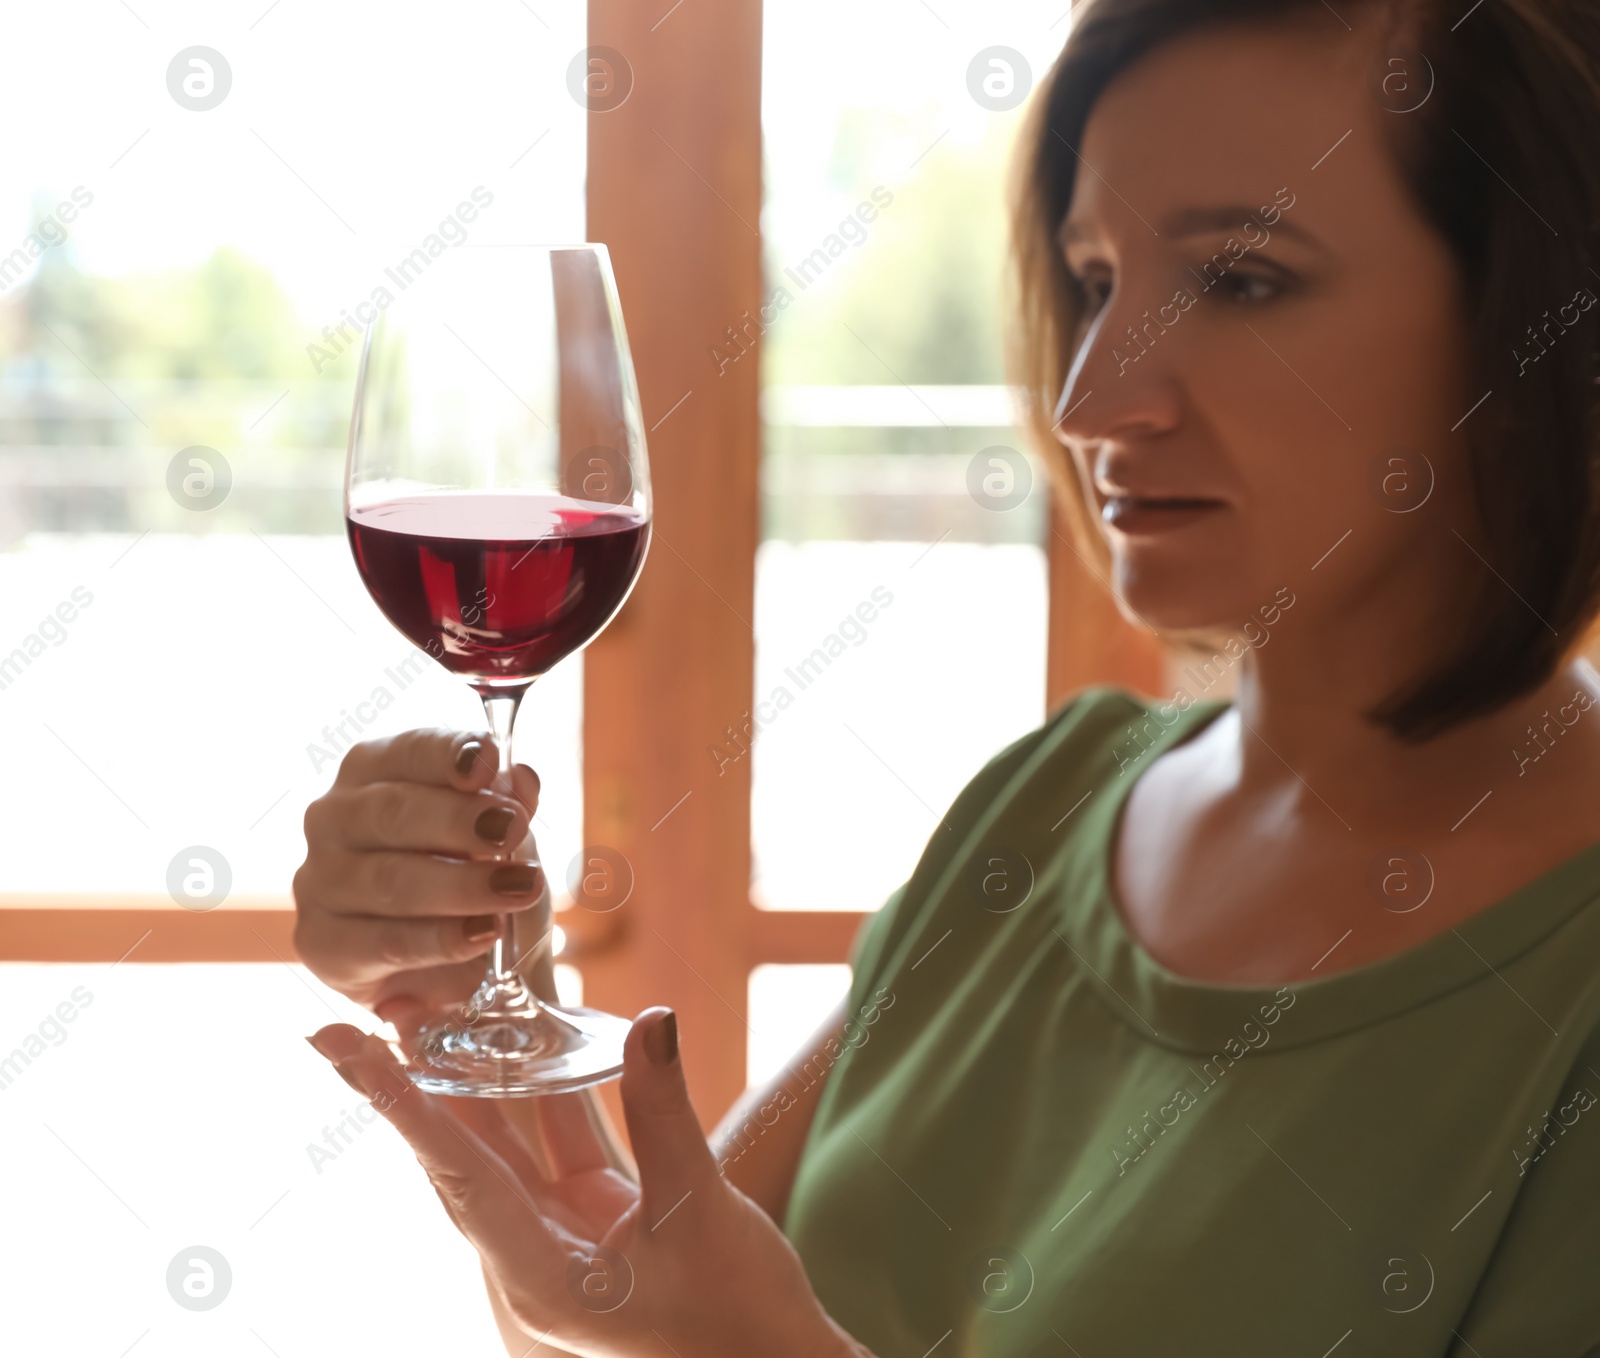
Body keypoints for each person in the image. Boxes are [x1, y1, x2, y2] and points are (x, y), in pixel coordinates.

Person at [294, 0, 1600, 1351]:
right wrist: (480, 993)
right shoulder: (1048, 802)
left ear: (1537, 324)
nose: (1092, 398)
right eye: (1095, 281)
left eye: (1240, 278)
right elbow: (639, 1300)